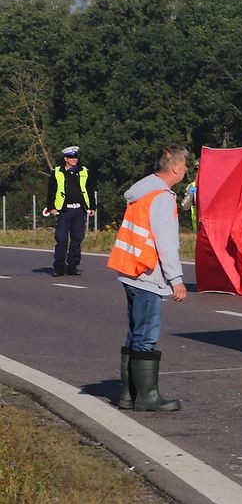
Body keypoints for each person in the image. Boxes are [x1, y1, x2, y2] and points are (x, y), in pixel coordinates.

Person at [107, 144, 190, 412]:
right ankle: (146, 397)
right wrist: (176, 279)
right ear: (176, 167)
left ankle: (128, 395)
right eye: (185, 165)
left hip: (132, 271)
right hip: (148, 273)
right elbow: (165, 242)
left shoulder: (143, 190)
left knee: (135, 332)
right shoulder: (162, 197)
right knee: (146, 335)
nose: (186, 169)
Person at [43, 145, 97, 276]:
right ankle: (59, 267)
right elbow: (51, 192)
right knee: (61, 239)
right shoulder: (57, 172)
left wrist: (92, 207)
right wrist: (51, 208)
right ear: (65, 159)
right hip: (64, 211)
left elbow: (89, 190)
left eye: (76, 157)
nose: (74, 160)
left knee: (77, 238)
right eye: (72, 157)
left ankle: (72, 266)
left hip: (79, 210)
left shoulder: (85, 171)